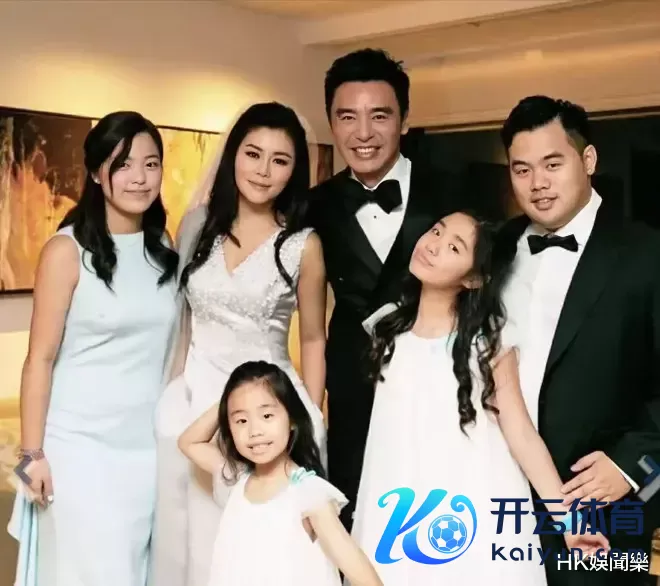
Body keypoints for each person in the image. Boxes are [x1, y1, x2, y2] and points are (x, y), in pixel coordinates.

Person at [350, 210, 609, 585]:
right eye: (435, 231)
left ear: (473, 278)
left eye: (454, 247)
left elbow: (521, 433)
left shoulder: (487, 344)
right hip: (396, 500)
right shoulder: (387, 330)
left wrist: (569, 521)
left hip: (468, 501)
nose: (434, 245)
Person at [151, 102, 328, 586]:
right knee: (193, 544)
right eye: (253, 154)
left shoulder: (303, 244)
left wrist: (311, 414)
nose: (263, 170)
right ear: (233, 156)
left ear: (294, 170)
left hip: (265, 408)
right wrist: (171, 391)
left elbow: (314, 337)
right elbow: (183, 321)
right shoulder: (197, 226)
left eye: (280, 160)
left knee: (259, 544)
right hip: (192, 404)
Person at [8, 111, 179, 586]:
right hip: (79, 452)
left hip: (145, 452)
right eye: (123, 164)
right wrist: (32, 454)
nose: (139, 177)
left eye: (151, 164)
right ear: (97, 173)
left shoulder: (162, 247)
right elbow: (39, 360)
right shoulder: (64, 252)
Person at [499, 95, 660, 585]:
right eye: (522, 169)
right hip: (496, 491)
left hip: (600, 505)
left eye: (553, 164)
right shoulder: (494, 248)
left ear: (587, 160)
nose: (537, 183)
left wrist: (633, 467)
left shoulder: (647, 252)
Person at [307, 48, 463, 530]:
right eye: (347, 117)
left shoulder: (452, 193)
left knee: (436, 523)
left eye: (379, 116)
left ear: (404, 119)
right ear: (331, 122)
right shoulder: (314, 205)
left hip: (435, 387)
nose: (363, 133)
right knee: (355, 526)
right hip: (351, 391)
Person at [178, 360, 383, 586]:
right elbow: (189, 442)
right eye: (241, 420)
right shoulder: (237, 479)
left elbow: (363, 576)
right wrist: (232, 399)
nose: (254, 431)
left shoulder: (309, 495)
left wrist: (241, 403)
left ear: (292, 419)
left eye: (266, 416)